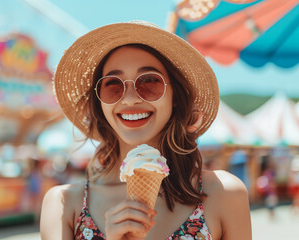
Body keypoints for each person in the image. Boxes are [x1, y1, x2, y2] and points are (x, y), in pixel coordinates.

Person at [40, 21, 252, 240]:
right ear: (100, 104)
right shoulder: (63, 205)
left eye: (150, 81)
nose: (130, 99)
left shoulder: (224, 193)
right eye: (113, 85)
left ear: (176, 98)